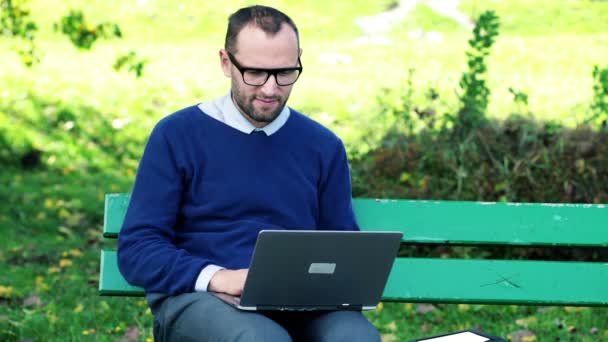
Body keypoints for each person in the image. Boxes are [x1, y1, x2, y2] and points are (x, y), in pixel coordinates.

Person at [117, 5, 381, 342]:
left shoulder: (322, 146)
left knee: (354, 338)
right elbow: (138, 248)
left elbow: (340, 248)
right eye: (255, 73)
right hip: (203, 299)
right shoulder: (177, 135)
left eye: (285, 72)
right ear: (226, 63)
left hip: (301, 306)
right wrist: (217, 277)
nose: (271, 89)